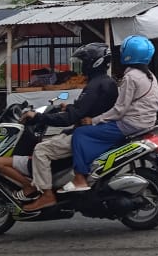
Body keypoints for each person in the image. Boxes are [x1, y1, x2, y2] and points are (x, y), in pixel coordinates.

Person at [20, 42, 118, 212]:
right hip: (96, 130)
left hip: (87, 133)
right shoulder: (105, 82)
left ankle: (47, 195)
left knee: (41, 150)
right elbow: (86, 109)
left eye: (83, 62)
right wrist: (70, 107)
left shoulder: (95, 85)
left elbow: (70, 118)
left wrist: (39, 117)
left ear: (93, 62)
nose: (81, 66)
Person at [62, 35, 158, 192]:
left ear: (128, 53)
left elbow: (119, 110)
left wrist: (94, 120)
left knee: (81, 133)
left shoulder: (131, 77)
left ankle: (80, 178)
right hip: (146, 122)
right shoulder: (149, 75)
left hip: (129, 124)